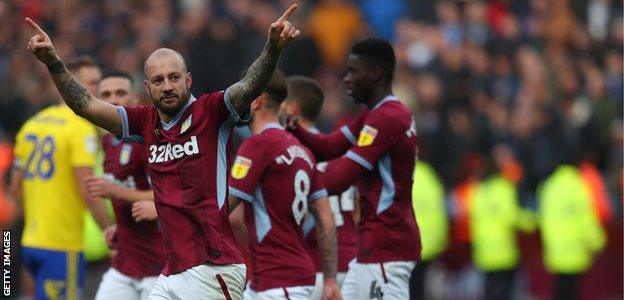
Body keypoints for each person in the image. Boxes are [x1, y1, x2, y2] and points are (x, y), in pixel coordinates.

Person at [24, 3, 301, 298]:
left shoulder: (212, 111)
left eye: (174, 77)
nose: (167, 86)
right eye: (158, 80)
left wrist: (272, 49)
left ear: (188, 80)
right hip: (172, 271)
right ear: (147, 86)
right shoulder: (144, 121)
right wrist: (53, 61)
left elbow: (249, 85)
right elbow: (86, 105)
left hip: (212, 266)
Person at [283, 38, 420, 299]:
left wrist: (291, 181)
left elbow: (338, 179)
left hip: (386, 248)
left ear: (375, 74)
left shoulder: (388, 118)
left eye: (353, 71)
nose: (347, 79)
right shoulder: (374, 115)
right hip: (370, 248)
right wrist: (295, 128)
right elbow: (328, 146)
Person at [227, 70, 340, 300]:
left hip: (278, 282)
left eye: (243, 94)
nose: (237, 101)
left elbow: (226, 207)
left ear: (257, 100)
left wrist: (170, 209)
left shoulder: (257, 145)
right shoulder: (304, 151)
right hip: (275, 281)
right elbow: (326, 218)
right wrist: (329, 280)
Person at [9, 57, 112, 299]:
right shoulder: (80, 128)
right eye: (93, 83)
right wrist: (110, 232)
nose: (99, 89)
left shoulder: (31, 125)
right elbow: (87, 190)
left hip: (31, 242)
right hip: (62, 246)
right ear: (69, 83)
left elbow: (15, 189)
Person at [81, 70, 164, 300]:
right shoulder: (108, 141)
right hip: (125, 263)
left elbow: (166, 197)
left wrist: (114, 191)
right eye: (106, 94)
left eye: (120, 93)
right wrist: (120, 227)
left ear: (135, 99)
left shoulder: (150, 141)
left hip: (158, 265)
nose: (114, 99)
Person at [280, 76, 358, 290]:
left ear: (291, 109)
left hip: (317, 268)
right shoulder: (336, 152)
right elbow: (359, 209)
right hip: (353, 266)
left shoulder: (292, 153)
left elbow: (298, 215)